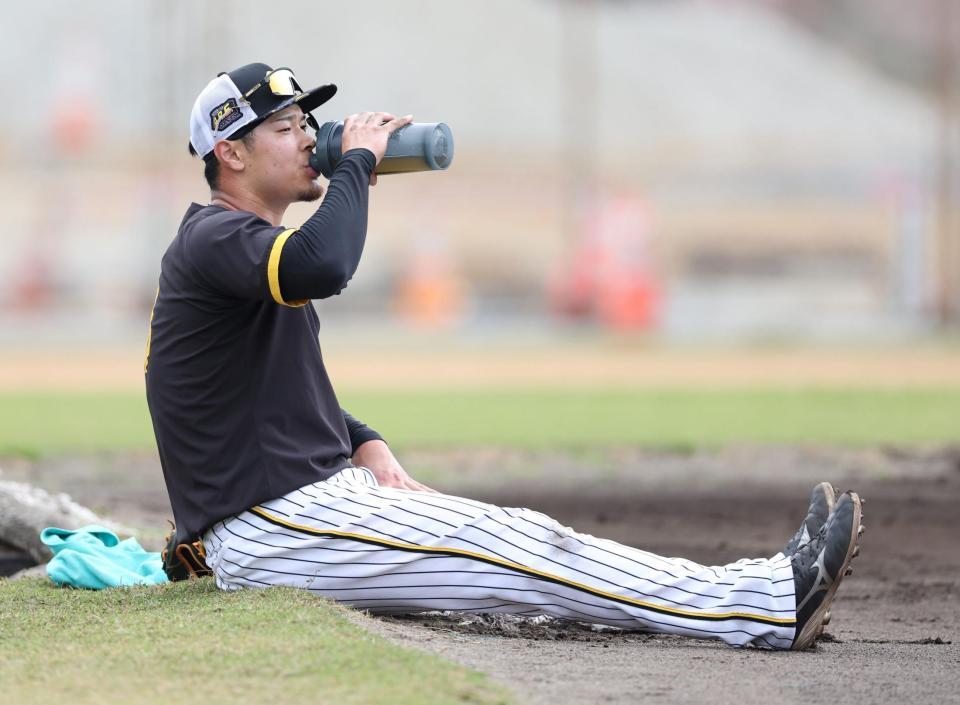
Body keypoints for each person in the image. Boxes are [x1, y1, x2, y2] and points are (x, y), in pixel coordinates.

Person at [145, 63, 863, 651]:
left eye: (307, 122)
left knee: (518, 552)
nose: (308, 138)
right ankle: (768, 603)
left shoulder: (236, 247)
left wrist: (360, 438)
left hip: (302, 511)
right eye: (284, 126)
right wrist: (358, 163)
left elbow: (252, 387)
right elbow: (323, 264)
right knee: (518, 545)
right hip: (276, 526)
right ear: (230, 154)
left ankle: (758, 592)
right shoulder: (215, 237)